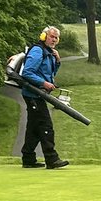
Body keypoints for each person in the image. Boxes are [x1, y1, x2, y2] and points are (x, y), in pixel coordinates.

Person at [20, 26, 69, 169]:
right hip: (33, 94)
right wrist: (44, 83)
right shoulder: (37, 51)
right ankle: (52, 159)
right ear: (43, 36)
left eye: (56, 38)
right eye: (51, 36)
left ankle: (28, 158)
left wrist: (58, 61)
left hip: (39, 94)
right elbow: (27, 73)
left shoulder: (49, 53)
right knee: (46, 126)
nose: (54, 40)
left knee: (34, 128)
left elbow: (50, 73)